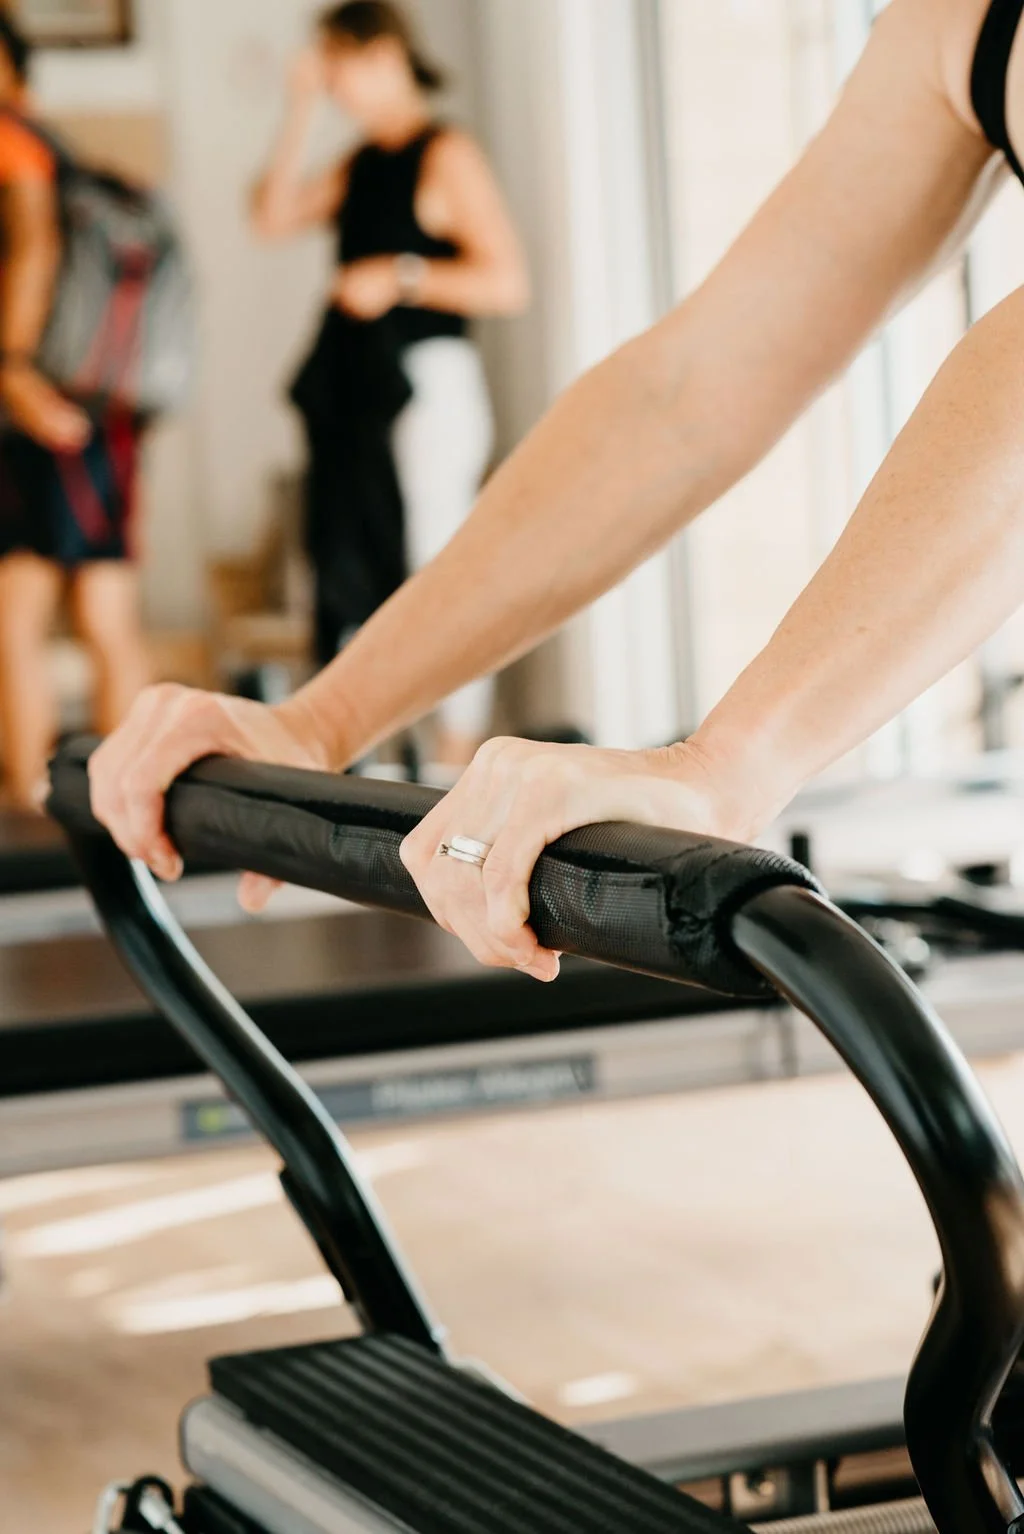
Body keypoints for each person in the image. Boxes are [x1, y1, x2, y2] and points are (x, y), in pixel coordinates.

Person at [89, 0, 1024, 980]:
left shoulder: (442, 152)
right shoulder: (943, 25)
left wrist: (725, 768)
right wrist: (316, 721)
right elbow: (684, 394)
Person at [251, 0, 529, 772]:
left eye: (333, 67)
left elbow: (508, 282)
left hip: (428, 381)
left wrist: (403, 275)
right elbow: (272, 216)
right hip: (360, 392)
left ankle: (451, 754)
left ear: (378, 55)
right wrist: (300, 103)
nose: (331, 84)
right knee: (359, 553)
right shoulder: (360, 161)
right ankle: (368, 749)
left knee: (439, 560)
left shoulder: (447, 154)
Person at [0, 13, 148, 811]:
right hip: (96, 406)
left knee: (47, 610)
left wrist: (15, 370)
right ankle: (119, 798)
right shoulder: (58, 149)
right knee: (73, 605)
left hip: (39, 400)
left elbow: (34, 249)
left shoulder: (13, 141)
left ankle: (37, 802)